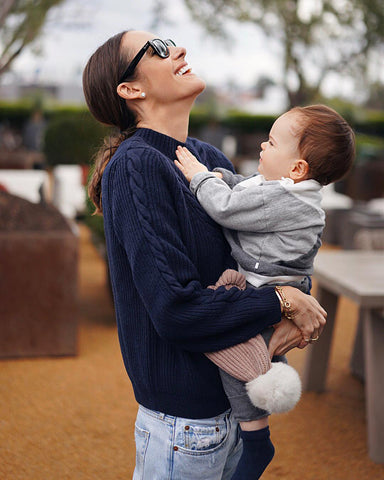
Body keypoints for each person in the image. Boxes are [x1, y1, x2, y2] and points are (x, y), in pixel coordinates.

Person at [82, 30, 327, 480]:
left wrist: (294, 295)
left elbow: (263, 253)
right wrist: (283, 301)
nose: (178, 49)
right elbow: (176, 309)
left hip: (233, 409)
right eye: (156, 48)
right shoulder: (137, 166)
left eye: (171, 39)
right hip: (186, 425)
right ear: (130, 89)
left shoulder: (205, 157)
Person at [174, 104, 355, 479]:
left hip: (270, 288)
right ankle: (269, 371)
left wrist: (199, 177)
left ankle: (256, 439)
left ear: (297, 169)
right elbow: (246, 184)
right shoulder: (288, 190)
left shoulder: (288, 201)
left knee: (236, 357)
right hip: (272, 284)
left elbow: (226, 206)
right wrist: (222, 174)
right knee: (259, 352)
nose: (261, 145)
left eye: (271, 143)